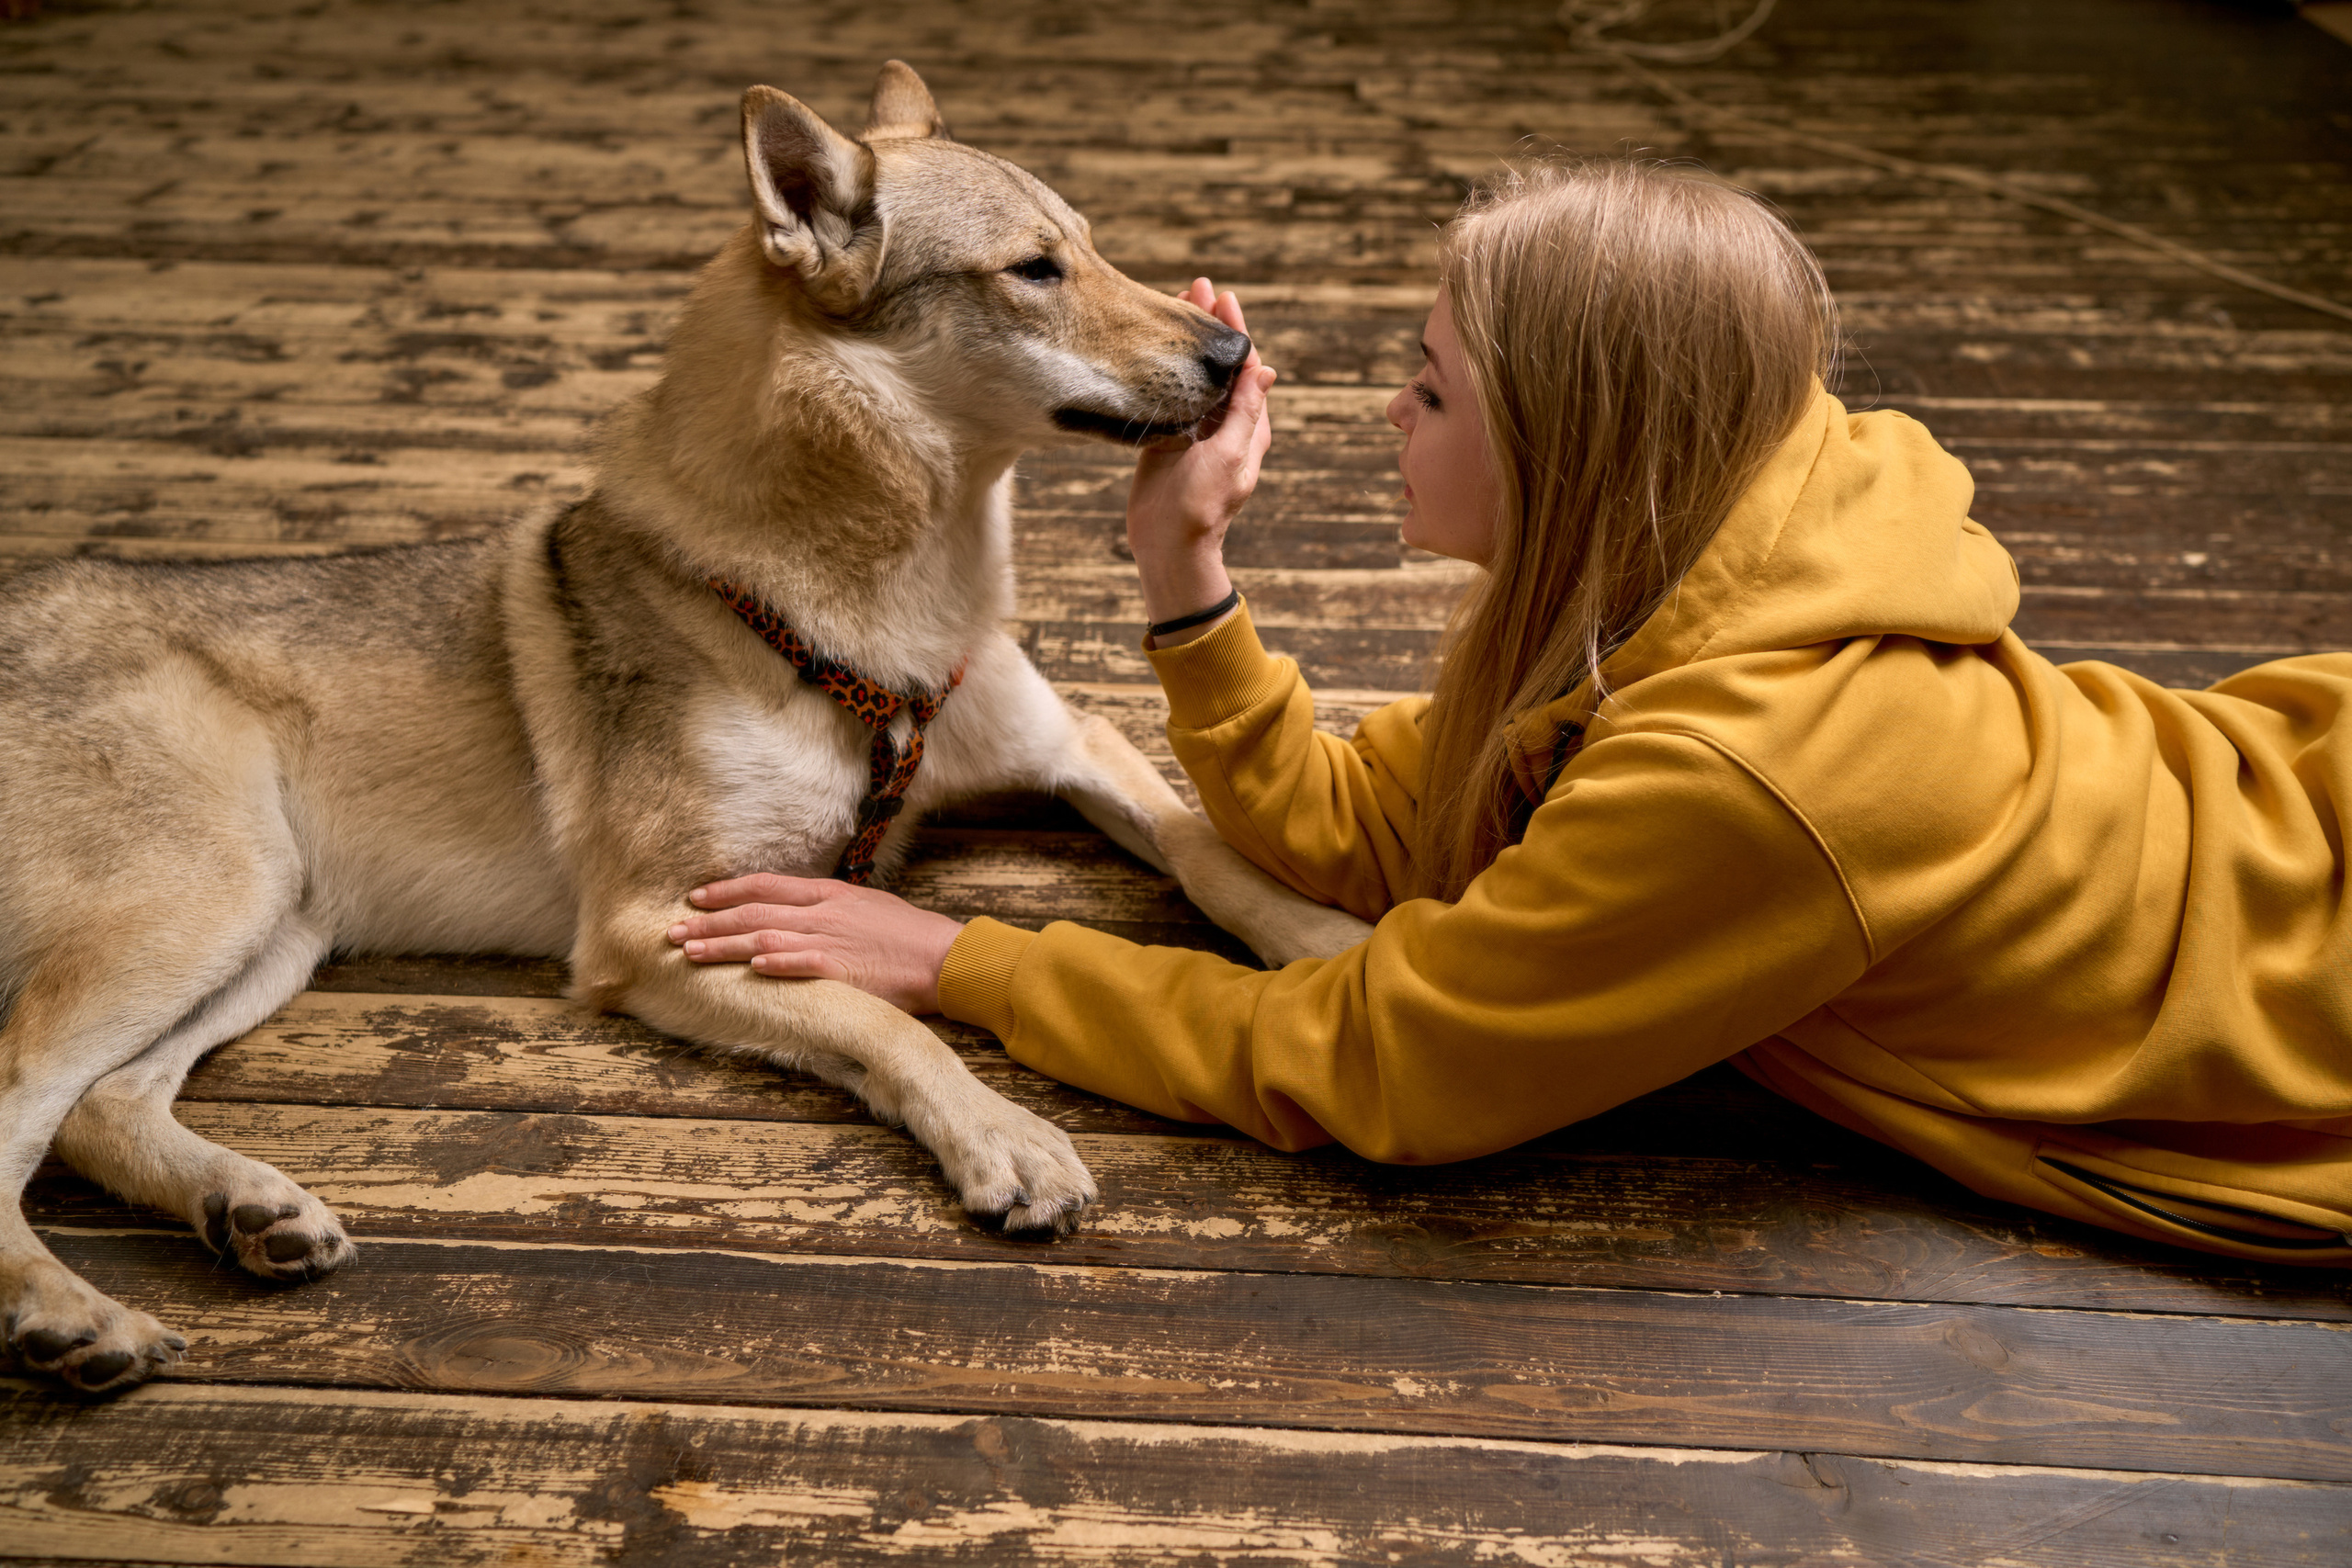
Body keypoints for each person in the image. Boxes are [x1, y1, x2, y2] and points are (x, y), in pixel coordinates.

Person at [668, 160, 2352, 1265]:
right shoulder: (1703, 537)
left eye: (1429, 387)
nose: (1379, 410)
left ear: (1564, 454)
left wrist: (967, 964)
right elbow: (1379, 826)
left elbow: (1394, 1064)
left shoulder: (1748, 777)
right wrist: (1185, 566)